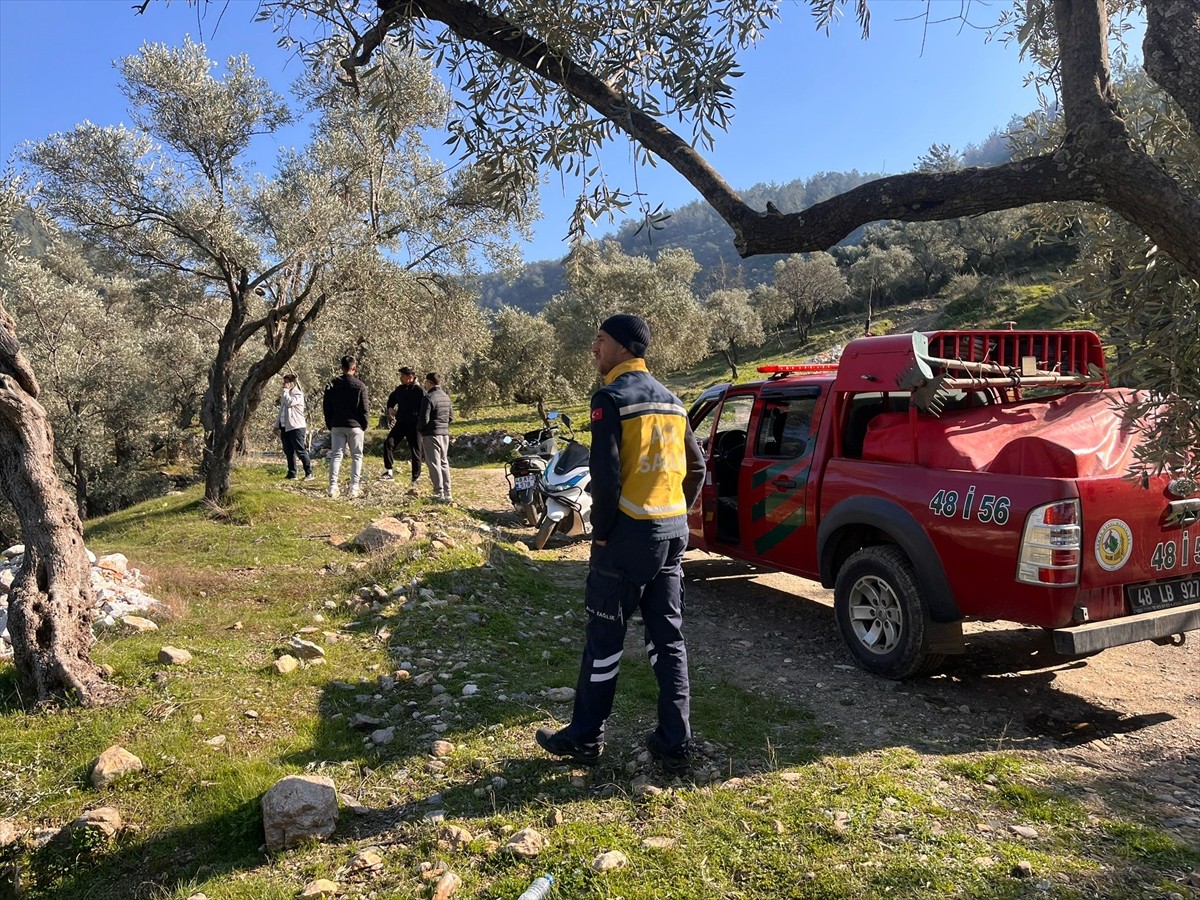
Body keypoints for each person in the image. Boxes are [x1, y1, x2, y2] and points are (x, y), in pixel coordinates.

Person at [536, 314, 706, 772]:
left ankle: (586, 738)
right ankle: (675, 743)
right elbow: (699, 466)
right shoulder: (673, 401)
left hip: (628, 537)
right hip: (671, 535)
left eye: (600, 339)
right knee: (668, 640)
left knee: (604, 640)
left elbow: (607, 479)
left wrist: (604, 532)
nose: (594, 348)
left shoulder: (610, 398)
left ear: (624, 347)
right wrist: (677, 510)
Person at [322, 355, 370, 498]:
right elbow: (365, 408)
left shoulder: (331, 384)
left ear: (341, 368)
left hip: (337, 424)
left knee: (336, 455)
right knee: (356, 456)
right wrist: (364, 425)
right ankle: (354, 487)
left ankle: (333, 486)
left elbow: (326, 407)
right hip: (355, 426)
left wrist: (330, 423)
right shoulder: (360, 386)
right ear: (354, 368)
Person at [381, 366, 424, 483]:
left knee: (415, 450)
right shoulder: (399, 389)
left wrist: (422, 422)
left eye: (403, 376)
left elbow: (425, 408)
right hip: (401, 423)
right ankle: (389, 472)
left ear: (410, 377)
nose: (401, 378)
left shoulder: (420, 391)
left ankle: (415, 478)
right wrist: (390, 408)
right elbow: (391, 399)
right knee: (388, 443)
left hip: (414, 425)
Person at [417, 371, 454, 501]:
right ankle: (448, 492)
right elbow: (450, 417)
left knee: (434, 464)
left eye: (426, 383)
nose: (425, 385)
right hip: (444, 434)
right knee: (444, 463)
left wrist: (420, 430)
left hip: (431, 434)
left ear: (430, 383)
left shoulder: (428, 397)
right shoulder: (446, 396)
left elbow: (424, 419)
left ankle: (438, 492)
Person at [277, 374, 314, 481]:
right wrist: (276, 425)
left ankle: (309, 473)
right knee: (288, 451)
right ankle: (292, 473)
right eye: (283, 382)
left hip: (296, 427)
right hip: (285, 427)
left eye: (286, 382)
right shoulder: (286, 395)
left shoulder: (297, 394)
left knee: (300, 450)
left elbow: (289, 403)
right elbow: (281, 411)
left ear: (292, 383)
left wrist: (285, 391)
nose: (284, 385)